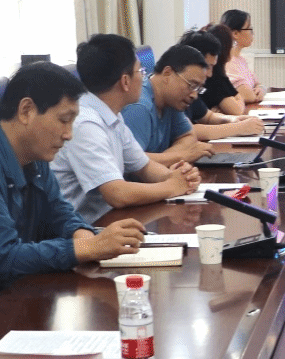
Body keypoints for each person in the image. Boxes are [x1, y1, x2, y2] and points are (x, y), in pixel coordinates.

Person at [0, 62, 147, 355]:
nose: (69, 134)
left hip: (12, 306)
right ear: (26, 111)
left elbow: (61, 213)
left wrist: (82, 234)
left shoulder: (34, 157)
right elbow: (5, 258)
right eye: (64, 120)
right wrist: (88, 248)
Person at [52, 34, 200, 222]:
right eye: (140, 72)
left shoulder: (112, 115)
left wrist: (178, 176)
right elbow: (117, 194)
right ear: (125, 81)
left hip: (108, 221)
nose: (144, 79)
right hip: (81, 230)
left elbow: (144, 167)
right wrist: (172, 186)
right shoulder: (85, 124)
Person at [122, 44, 217, 165]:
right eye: (192, 85)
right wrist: (182, 156)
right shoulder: (138, 107)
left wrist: (168, 159)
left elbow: (188, 136)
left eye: (198, 89)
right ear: (167, 73)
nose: (195, 95)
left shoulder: (171, 102)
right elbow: (131, 163)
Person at [177, 28, 264, 139]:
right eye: (207, 66)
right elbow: (189, 131)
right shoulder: (176, 90)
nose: (210, 74)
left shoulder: (192, 87)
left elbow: (209, 117)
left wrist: (235, 120)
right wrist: (239, 128)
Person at [221, 9, 266, 104]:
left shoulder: (241, 59)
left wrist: (260, 89)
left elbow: (258, 83)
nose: (252, 33)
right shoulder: (227, 62)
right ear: (235, 34)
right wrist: (257, 92)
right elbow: (249, 97)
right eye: (249, 29)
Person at [202, 23, 246, 116]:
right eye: (232, 44)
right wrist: (238, 100)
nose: (233, 48)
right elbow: (237, 111)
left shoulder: (221, 73)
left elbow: (237, 97)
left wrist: (238, 100)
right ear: (225, 48)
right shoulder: (214, 77)